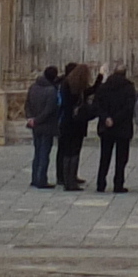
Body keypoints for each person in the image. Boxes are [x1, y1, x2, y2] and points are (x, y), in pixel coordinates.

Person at [95, 63, 135, 191]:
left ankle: (101, 184)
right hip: (122, 127)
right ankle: (118, 184)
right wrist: (115, 119)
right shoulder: (128, 87)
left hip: (106, 127)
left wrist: (106, 118)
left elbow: (97, 105)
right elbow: (129, 108)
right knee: (121, 158)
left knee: (104, 156)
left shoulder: (103, 87)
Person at [53, 64, 92, 195]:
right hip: (75, 124)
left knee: (67, 152)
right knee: (73, 152)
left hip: (66, 123)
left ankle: (66, 178)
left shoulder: (66, 86)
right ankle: (70, 181)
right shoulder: (75, 91)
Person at [24, 64, 64, 189]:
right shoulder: (51, 91)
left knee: (37, 152)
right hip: (46, 125)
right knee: (44, 153)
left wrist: (31, 119)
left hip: (35, 125)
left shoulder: (33, 87)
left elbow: (27, 104)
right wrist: (37, 120)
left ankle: (35, 178)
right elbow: (49, 109)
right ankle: (41, 179)